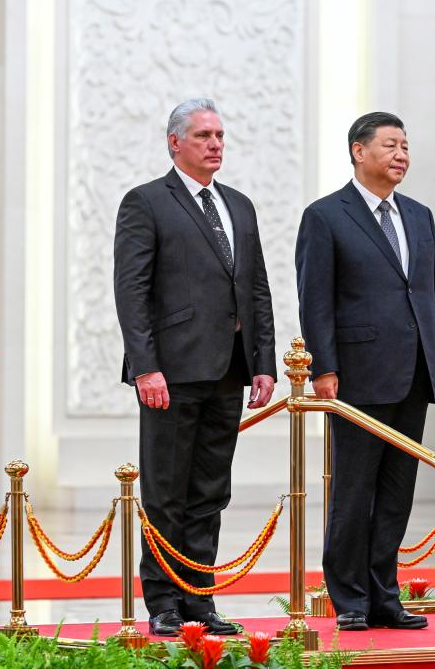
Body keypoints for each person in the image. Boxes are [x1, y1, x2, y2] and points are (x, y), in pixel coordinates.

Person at [113, 98, 276, 636]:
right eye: (204, 135)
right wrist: (145, 367)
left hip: (229, 370)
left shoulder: (239, 205)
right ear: (174, 142)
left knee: (210, 491)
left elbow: (255, 288)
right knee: (166, 491)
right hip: (172, 372)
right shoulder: (146, 202)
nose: (215, 144)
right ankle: (163, 602)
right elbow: (132, 291)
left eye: (220, 135)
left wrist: (263, 362)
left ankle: (198, 599)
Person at [295, 111, 435, 631]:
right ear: (359, 151)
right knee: (354, 489)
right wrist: (323, 366)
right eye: (390, 145)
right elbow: (315, 299)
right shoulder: (326, 216)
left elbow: (431, 290)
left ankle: (385, 595)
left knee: (396, 491)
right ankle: (350, 599)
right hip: (356, 374)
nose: (401, 154)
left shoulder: (419, 215)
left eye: (405, 145)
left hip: (414, 372)